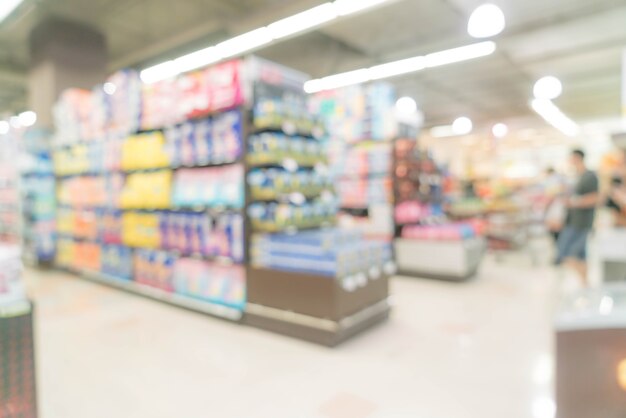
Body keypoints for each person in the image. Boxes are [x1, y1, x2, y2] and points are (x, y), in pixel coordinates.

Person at [555, 149, 599, 285]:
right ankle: (585, 284)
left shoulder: (589, 176)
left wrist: (573, 202)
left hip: (581, 223)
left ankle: (586, 283)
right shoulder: (577, 176)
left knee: (565, 254)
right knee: (581, 256)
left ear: (577, 158)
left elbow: (595, 198)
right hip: (573, 220)